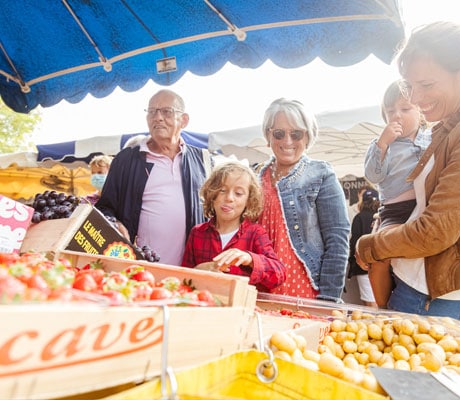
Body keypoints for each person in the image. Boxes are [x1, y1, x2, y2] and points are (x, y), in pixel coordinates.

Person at [356, 20, 460, 323]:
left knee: (407, 371)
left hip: (438, 291)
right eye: (410, 85)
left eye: (427, 85)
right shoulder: (451, 124)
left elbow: (436, 231)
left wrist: (370, 246)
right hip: (418, 279)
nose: (416, 98)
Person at [96, 89, 211, 265]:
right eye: (152, 112)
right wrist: (114, 223)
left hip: (190, 269)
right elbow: (104, 208)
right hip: (141, 268)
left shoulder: (202, 160)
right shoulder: (126, 160)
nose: (157, 117)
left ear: (184, 120)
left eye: (166, 111)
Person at [257, 98, 350, 302]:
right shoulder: (255, 178)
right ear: (268, 135)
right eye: (279, 133)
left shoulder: (321, 174)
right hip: (261, 288)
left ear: (308, 136)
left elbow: (337, 240)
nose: (287, 141)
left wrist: (328, 298)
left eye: (296, 133)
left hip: (305, 288)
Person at [363, 79, 431, 307]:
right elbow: (373, 176)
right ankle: (384, 306)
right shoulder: (383, 144)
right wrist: (382, 145)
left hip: (427, 208)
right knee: (379, 255)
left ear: (420, 110)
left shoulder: (433, 137)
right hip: (395, 210)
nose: (397, 116)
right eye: (390, 111)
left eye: (405, 109)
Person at [182, 162, 286, 293]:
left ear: (249, 200)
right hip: (206, 307)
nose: (229, 198)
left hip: (242, 309)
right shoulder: (197, 233)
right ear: (212, 194)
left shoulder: (255, 233)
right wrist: (198, 271)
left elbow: (279, 274)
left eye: (238, 193)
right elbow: (183, 279)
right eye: (222, 190)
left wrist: (250, 259)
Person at [347, 188, 379, 307]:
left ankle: (374, 324)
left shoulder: (359, 217)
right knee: (379, 300)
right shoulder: (382, 217)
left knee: (369, 302)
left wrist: (352, 263)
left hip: (362, 265)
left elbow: (354, 242)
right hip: (381, 264)